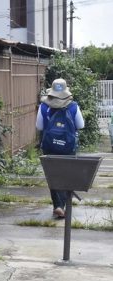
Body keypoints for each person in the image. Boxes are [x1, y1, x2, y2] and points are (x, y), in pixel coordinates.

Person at [36, 78, 85, 219]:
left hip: (49, 146)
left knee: (53, 176)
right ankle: (61, 206)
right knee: (66, 175)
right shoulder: (73, 106)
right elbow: (80, 125)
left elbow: (39, 127)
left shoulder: (44, 107)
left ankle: (58, 205)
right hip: (68, 147)